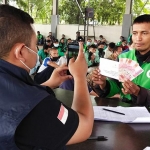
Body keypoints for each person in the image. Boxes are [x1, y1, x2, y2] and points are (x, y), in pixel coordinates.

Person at [0, 4, 93, 149]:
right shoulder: (37, 110)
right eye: (35, 45)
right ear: (20, 52)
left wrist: (47, 84)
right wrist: (80, 76)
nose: (37, 50)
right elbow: (84, 126)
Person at [91, 14, 150, 107]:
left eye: (144, 33)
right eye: (135, 33)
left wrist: (139, 93)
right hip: (123, 110)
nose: (138, 38)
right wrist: (104, 84)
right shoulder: (124, 57)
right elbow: (117, 85)